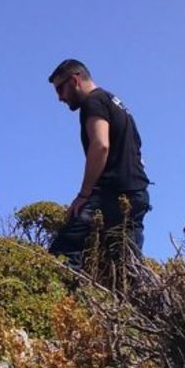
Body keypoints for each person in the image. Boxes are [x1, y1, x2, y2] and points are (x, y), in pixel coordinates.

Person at [46, 59, 151, 268]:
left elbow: (101, 145)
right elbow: (139, 152)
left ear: (75, 80)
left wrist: (84, 195)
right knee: (124, 264)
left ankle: (63, 299)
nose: (59, 98)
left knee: (64, 252)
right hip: (137, 192)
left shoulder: (93, 102)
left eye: (60, 89)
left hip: (110, 192)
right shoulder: (116, 103)